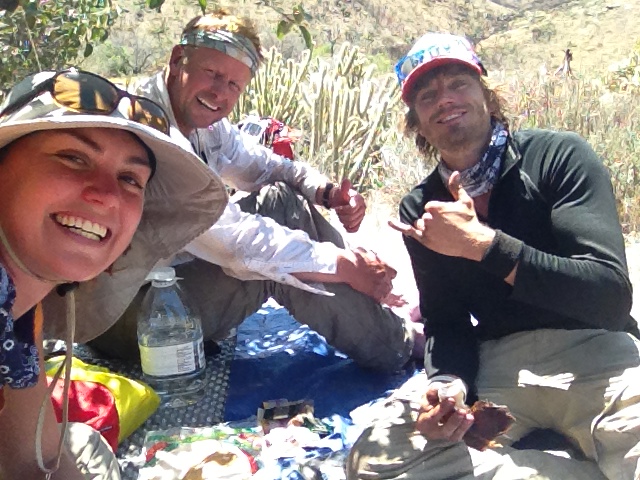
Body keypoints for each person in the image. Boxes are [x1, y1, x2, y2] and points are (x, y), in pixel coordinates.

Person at [346, 32, 640, 479]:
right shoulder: (422, 207)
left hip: (597, 350)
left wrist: (484, 247)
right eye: (427, 96)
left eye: (458, 84)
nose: (445, 99)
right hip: (499, 362)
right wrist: (448, 386)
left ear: (487, 95)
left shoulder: (558, 156)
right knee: (373, 460)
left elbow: (609, 296)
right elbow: (446, 321)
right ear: (417, 123)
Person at [85, 9, 423, 372]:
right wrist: (342, 265)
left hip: (162, 286)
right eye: (212, 73)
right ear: (178, 59)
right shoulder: (152, 131)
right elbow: (238, 245)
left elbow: (269, 167)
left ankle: (370, 305)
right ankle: (397, 344)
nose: (219, 92)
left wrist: (325, 193)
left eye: (234, 85)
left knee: (282, 202)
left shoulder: (203, 124)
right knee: (271, 264)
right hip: (127, 320)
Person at [0, 69, 226, 479]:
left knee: (83, 444)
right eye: (73, 158)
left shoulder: (21, 314)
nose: (105, 195)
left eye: (129, 179)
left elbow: (34, 460)